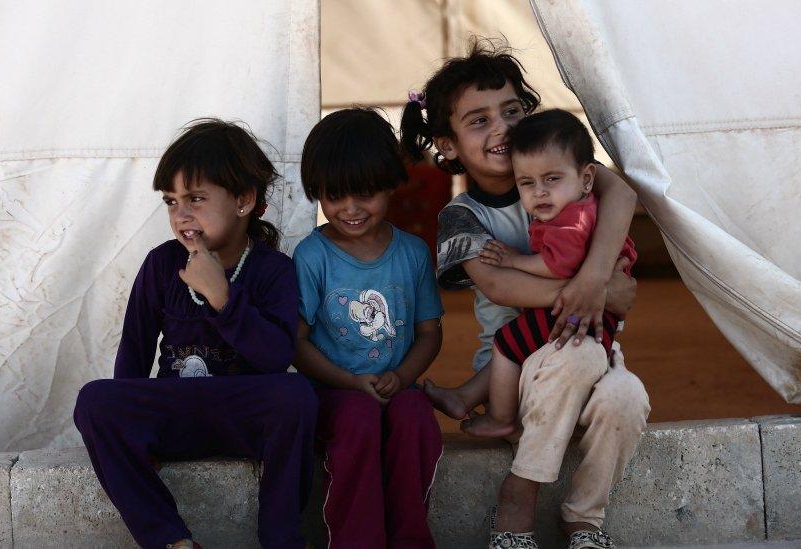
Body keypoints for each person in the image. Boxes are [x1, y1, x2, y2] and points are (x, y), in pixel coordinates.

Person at [400, 39, 650, 549]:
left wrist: (594, 279)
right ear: (447, 146)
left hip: (593, 345)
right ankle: (518, 499)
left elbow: (622, 193)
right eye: (478, 121)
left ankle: (583, 519)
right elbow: (498, 283)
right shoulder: (463, 217)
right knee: (576, 356)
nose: (502, 128)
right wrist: (596, 294)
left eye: (512, 111)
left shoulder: (558, 171)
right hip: (513, 370)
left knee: (629, 396)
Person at [73, 119, 317, 549]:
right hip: (177, 412)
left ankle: (280, 539)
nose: (181, 215)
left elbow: (276, 357)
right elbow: (134, 352)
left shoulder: (272, 270)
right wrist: (131, 424)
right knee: (95, 400)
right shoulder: (163, 264)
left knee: (296, 396)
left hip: (243, 415)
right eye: (171, 201)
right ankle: (170, 540)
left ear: (244, 200)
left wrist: (223, 296)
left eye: (196, 199)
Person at [292, 108, 444, 549]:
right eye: (335, 196)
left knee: (416, 415)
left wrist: (403, 377)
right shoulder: (312, 256)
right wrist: (350, 382)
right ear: (317, 191)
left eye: (366, 194)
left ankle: (410, 539)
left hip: (397, 389)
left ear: (391, 182)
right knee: (358, 418)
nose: (351, 209)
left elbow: (429, 333)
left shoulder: (413, 253)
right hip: (334, 395)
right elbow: (296, 342)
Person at [459, 108, 638, 439]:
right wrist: (604, 289)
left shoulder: (572, 217)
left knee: (508, 341)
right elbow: (499, 287)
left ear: (587, 178)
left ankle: (499, 418)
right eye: (527, 183)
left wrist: (514, 260)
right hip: (586, 311)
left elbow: (559, 263)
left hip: (573, 316)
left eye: (551, 179)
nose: (539, 191)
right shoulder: (463, 215)